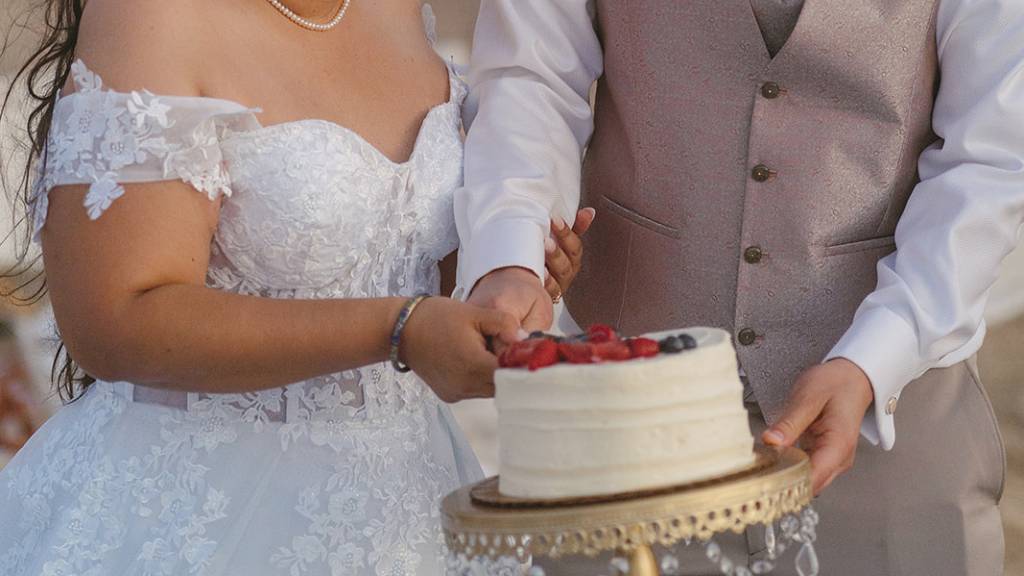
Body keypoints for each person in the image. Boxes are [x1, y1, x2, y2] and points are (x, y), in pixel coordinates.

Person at [0, 1, 592, 574]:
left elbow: (391, 260)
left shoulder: (402, 10)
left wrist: (497, 288)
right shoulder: (154, 15)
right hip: (202, 515)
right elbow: (116, 320)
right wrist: (400, 330)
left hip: (411, 504)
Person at [456, 0, 1023, 573]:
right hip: (618, 431)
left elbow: (990, 160)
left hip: (895, 430)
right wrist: (512, 255)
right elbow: (530, 80)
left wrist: (878, 354)